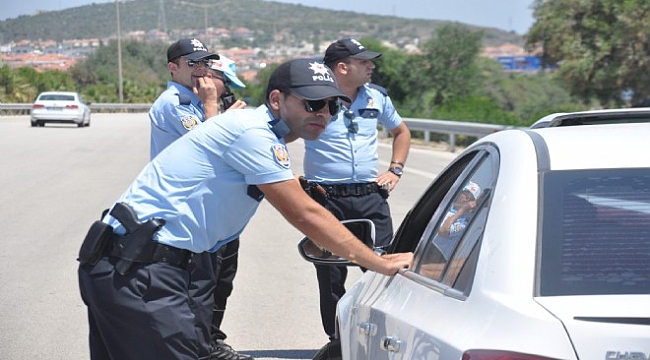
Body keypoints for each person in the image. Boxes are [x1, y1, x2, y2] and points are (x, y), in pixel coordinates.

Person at [77, 58, 413, 360]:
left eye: (332, 107)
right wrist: (377, 262)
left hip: (126, 267)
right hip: (142, 272)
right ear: (277, 100)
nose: (322, 113)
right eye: (312, 103)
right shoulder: (253, 134)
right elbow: (305, 215)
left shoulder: (254, 130)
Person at [301, 38, 411, 341]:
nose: (371, 66)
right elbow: (279, 134)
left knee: (383, 270)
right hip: (326, 198)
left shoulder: (377, 97)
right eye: (364, 62)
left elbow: (401, 132)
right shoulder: (313, 99)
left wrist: (395, 169)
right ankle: (338, 341)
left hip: (368, 196)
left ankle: (387, 338)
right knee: (331, 275)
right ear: (342, 67)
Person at [148, 39, 251, 360]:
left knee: (216, 282)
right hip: (185, 210)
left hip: (209, 209)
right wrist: (212, 108)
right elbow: (208, 145)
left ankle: (207, 342)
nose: (201, 70)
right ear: (173, 67)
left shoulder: (192, 102)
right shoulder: (175, 103)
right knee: (197, 287)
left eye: (206, 63)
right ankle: (197, 349)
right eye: (193, 64)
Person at [433, 181, 481, 259]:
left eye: (470, 198)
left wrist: (462, 210)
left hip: (438, 258)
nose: (466, 199)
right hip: (428, 249)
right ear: (459, 193)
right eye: (465, 194)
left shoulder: (465, 221)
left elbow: (444, 231)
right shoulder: (444, 207)